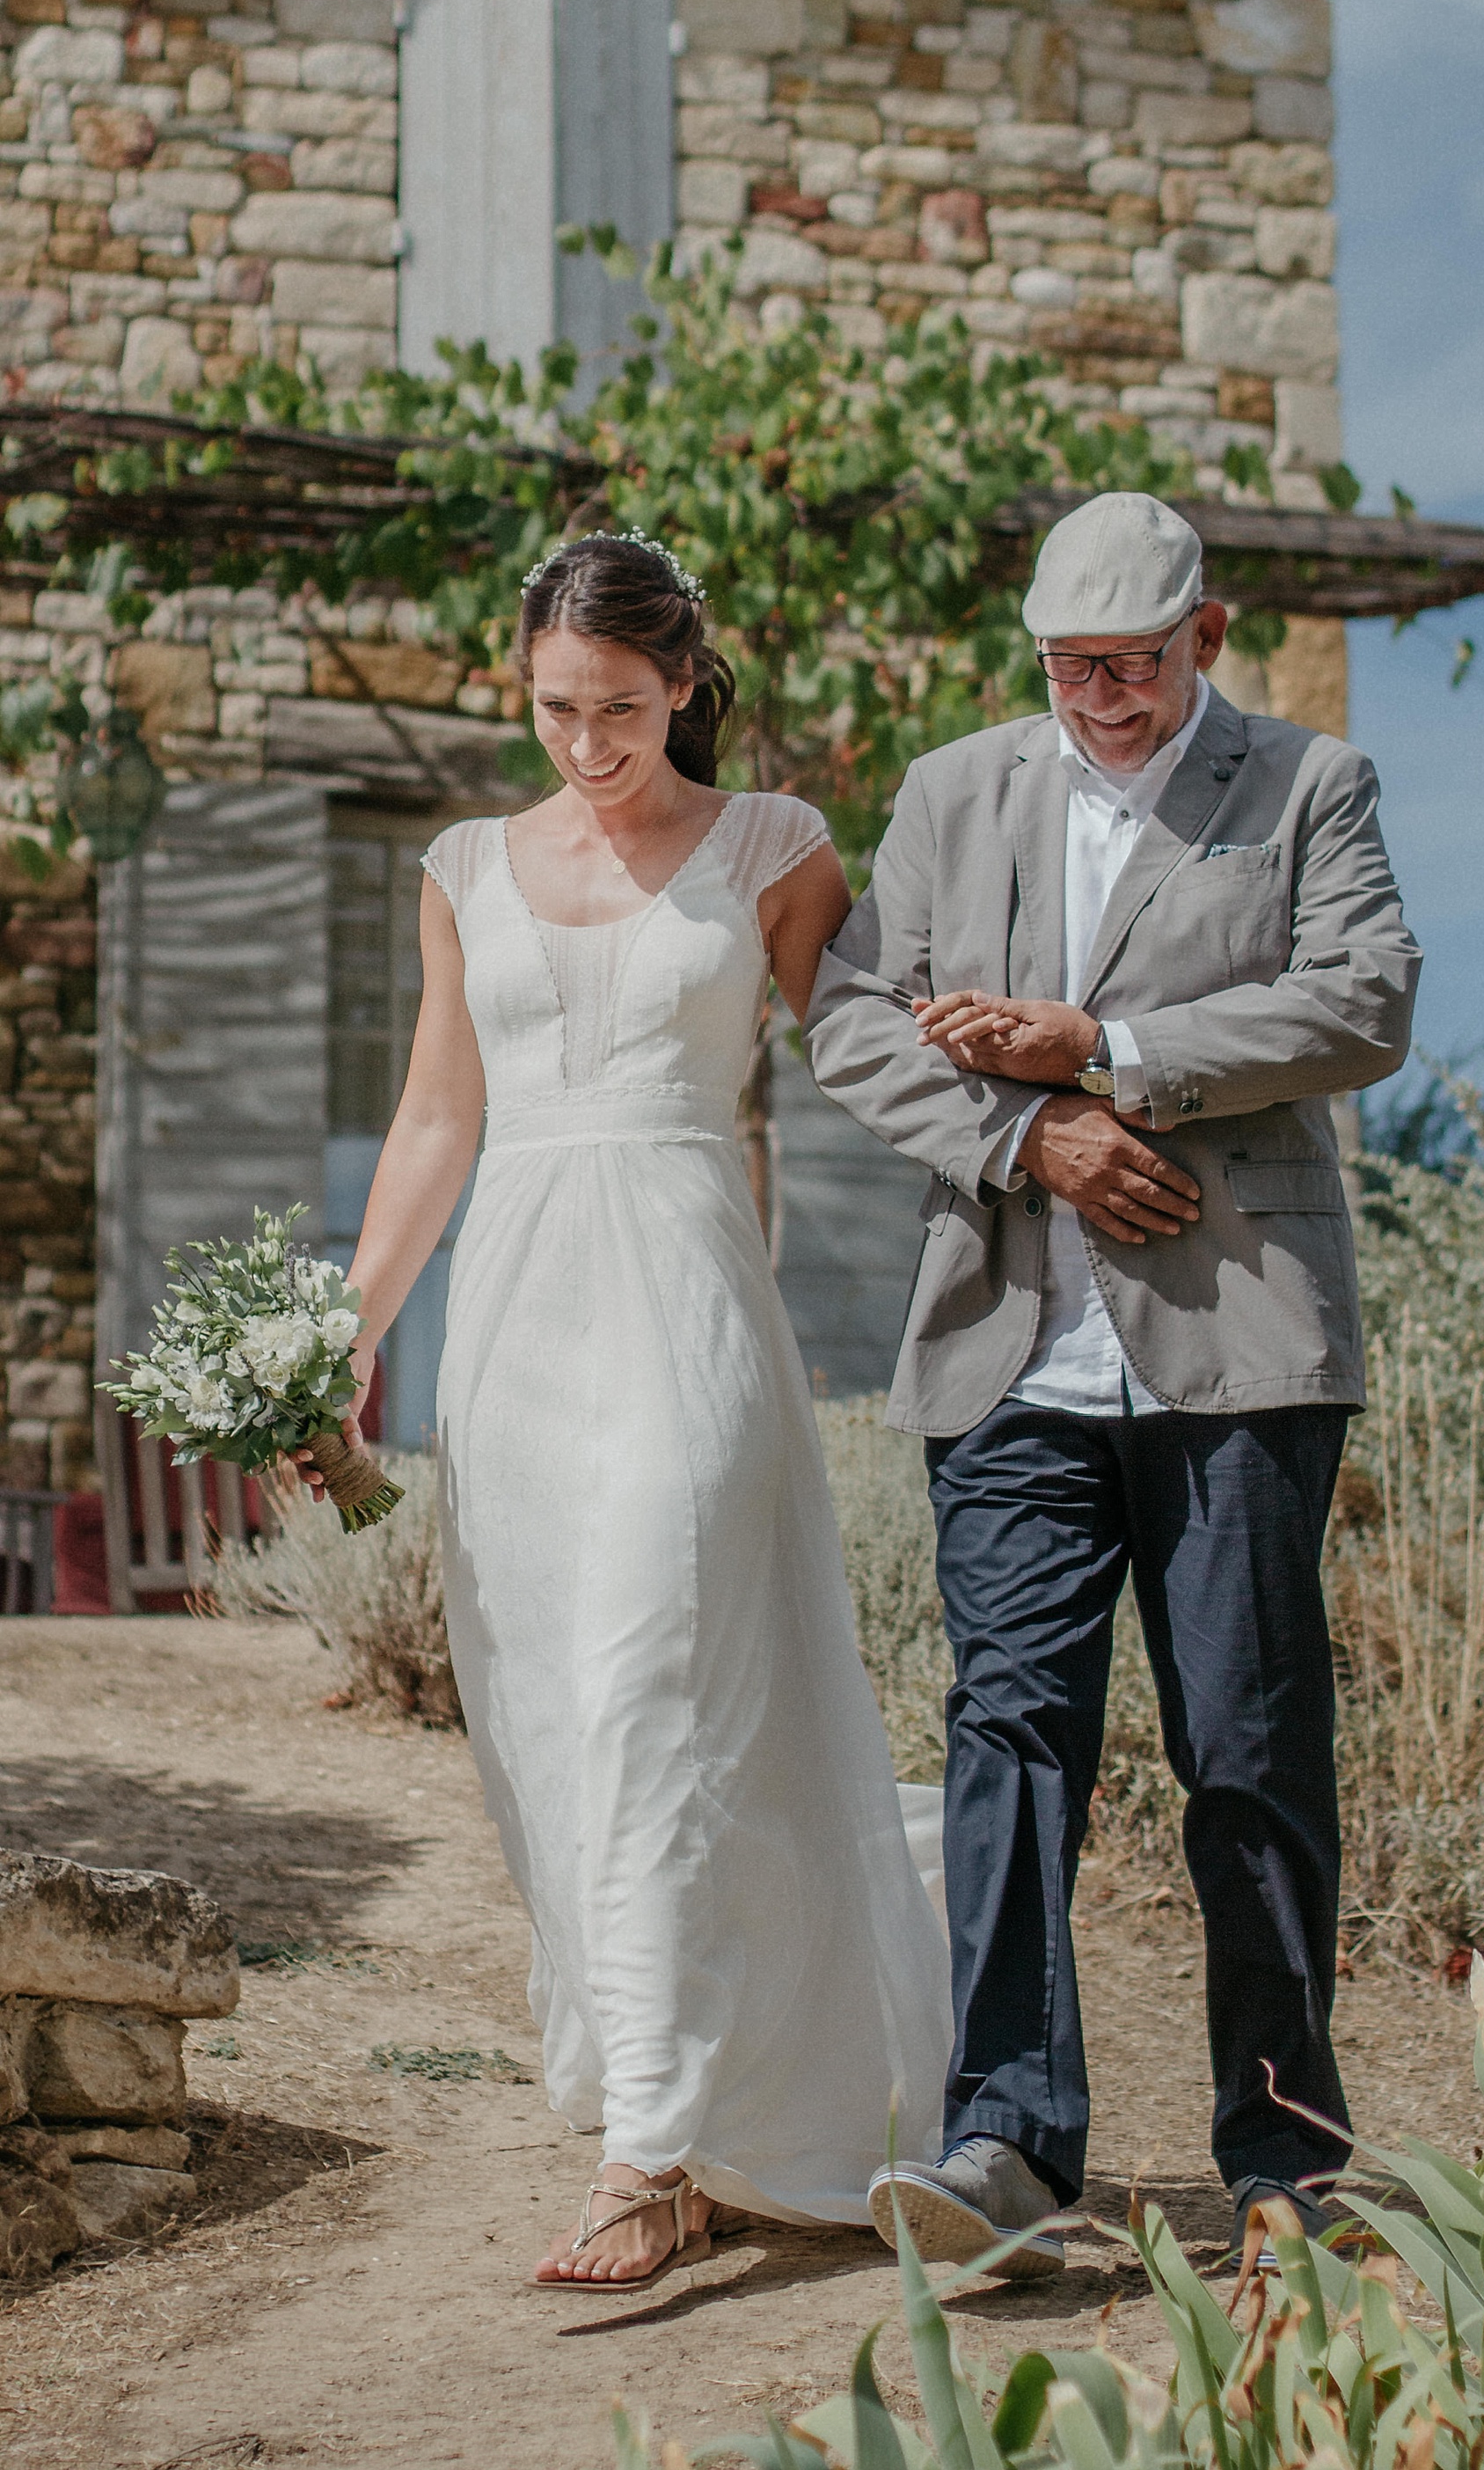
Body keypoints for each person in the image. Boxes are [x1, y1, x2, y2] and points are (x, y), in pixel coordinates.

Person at [298, 532, 951, 2290]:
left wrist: (1030, 1114)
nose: (587, 743)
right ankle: (698, 2087)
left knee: (662, 1682)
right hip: (513, 1319)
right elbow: (439, 1117)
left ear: (685, 688)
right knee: (549, 1726)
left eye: (623, 709)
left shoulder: (775, 847)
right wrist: (347, 1339)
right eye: (554, 708)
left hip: (686, 1297)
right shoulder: (464, 866)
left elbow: (869, 1048)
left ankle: (648, 2150)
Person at [806, 490, 1421, 2276]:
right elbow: (857, 1019)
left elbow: (1367, 1000)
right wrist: (1033, 1139)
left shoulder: (1315, 787)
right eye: (1073, 669)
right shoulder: (951, 790)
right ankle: (1006, 2138)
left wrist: (1114, 1053)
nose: (1104, 698)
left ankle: (1287, 2154)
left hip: (1241, 1354)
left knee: (1248, 1750)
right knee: (1009, 1736)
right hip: (1011, 1354)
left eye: (1137, 666)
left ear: (1205, 640)